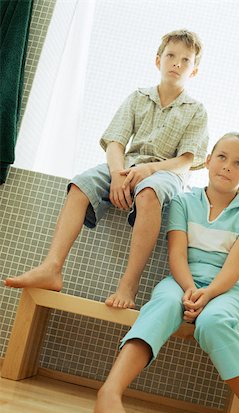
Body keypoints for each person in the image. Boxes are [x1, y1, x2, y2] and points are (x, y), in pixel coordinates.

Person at [93, 132, 239, 413]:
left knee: (215, 323)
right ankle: (109, 393)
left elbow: (233, 269)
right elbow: (177, 255)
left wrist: (207, 296)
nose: (227, 166)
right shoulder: (183, 201)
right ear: (208, 160)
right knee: (164, 304)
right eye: (221, 157)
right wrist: (190, 289)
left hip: (226, 291)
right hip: (181, 282)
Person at [3, 29, 209, 308]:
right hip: (125, 166)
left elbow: (186, 160)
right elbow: (115, 142)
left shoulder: (196, 111)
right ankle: (52, 266)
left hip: (165, 174)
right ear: (157, 60)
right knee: (81, 183)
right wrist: (116, 175)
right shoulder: (138, 97)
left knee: (149, 192)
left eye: (185, 60)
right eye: (171, 56)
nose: (176, 63)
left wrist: (148, 170)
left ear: (193, 71)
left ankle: (128, 285)